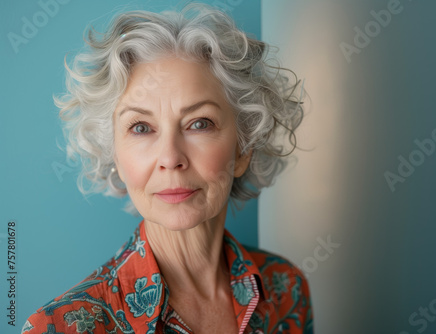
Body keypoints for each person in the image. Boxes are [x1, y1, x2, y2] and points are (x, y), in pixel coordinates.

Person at [22, 3, 312, 333]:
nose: (171, 157)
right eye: (141, 127)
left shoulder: (286, 289)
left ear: (244, 148)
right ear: (114, 154)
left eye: (199, 123)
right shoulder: (59, 327)